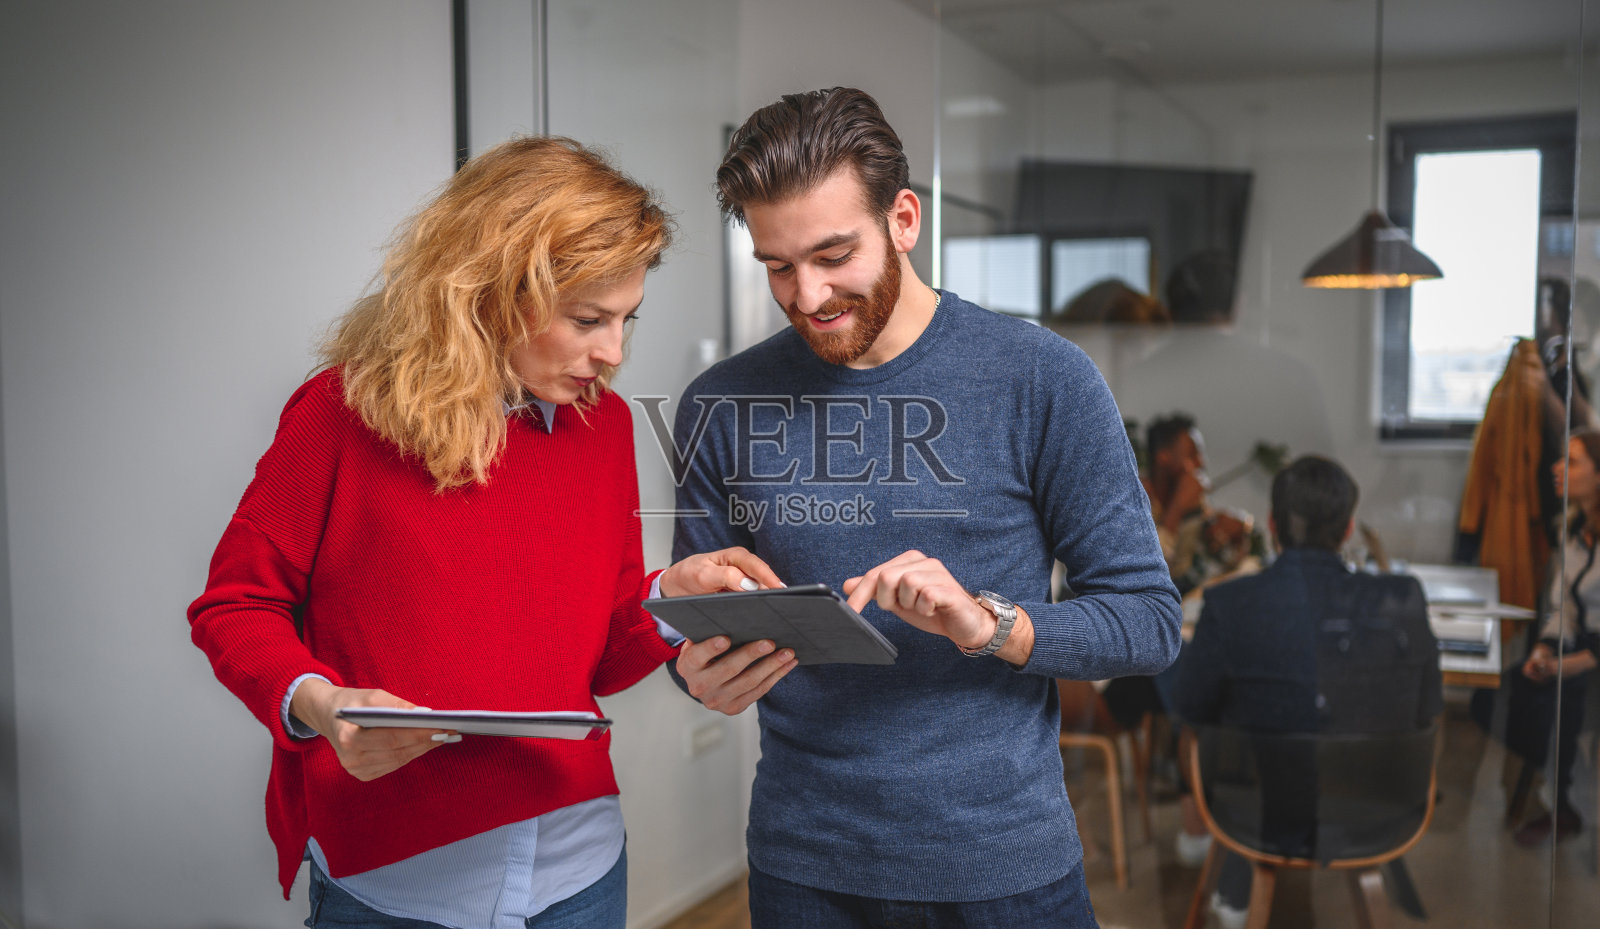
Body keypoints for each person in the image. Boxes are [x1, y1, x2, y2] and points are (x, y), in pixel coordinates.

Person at [188, 137, 780, 929]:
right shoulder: (338, 413)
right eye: (587, 318)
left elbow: (599, 654)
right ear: (492, 289)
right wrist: (322, 704)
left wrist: (670, 597)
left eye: (626, 319)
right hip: (398, 881)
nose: (613, 353)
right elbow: (234, 605)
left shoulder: (598, 428)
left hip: (583, 866)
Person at [664, 87, 1182, 927]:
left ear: (904, 218)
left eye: (835, 255)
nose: (807, 295)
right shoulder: (720, 405)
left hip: (1003, 870)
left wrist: (993, 623)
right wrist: (690, 669)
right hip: (804, 870)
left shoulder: (1042, 378)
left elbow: (1149, 620)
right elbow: (693, 625)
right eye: (777, 265)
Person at [1170, 455, 1443, 928]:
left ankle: (1225, 880)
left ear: (1273, 526)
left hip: (1257, 815)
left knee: (1214, 717)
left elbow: (1189, 705)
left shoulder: (1231, 604)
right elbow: (1428, 709)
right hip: (1381, 808)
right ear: (1348, 529)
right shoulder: (1405, 599)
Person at [1509, 429, 1600, 847]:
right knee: (1506, 691)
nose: (1557, 467)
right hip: (1579, 646)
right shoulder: (1572, 531)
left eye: (1573, 461)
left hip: (1593, 657)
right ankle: (1557, 796)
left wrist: (1567, 666)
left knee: (1564, 697)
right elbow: (1559, 604)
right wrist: (1544, 650)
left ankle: (1563, 801)